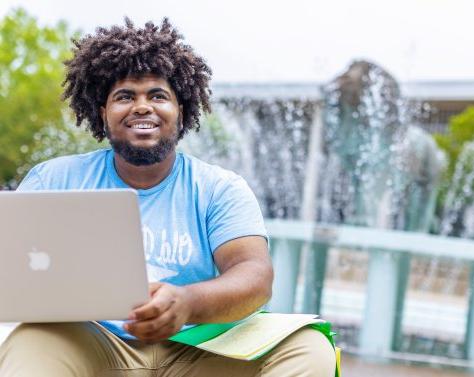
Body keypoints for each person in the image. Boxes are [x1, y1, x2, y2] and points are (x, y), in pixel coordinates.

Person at [0, 18, 335, 377]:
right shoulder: (55, 178)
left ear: (182, 111)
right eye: (124, 96)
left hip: (200, 349)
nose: (142, 107)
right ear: (102, 114)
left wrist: (188, 302)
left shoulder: (220, 188)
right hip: (95, 345)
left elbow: (255, 275)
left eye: (158, 95)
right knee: (29, 341)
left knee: (309, 348)